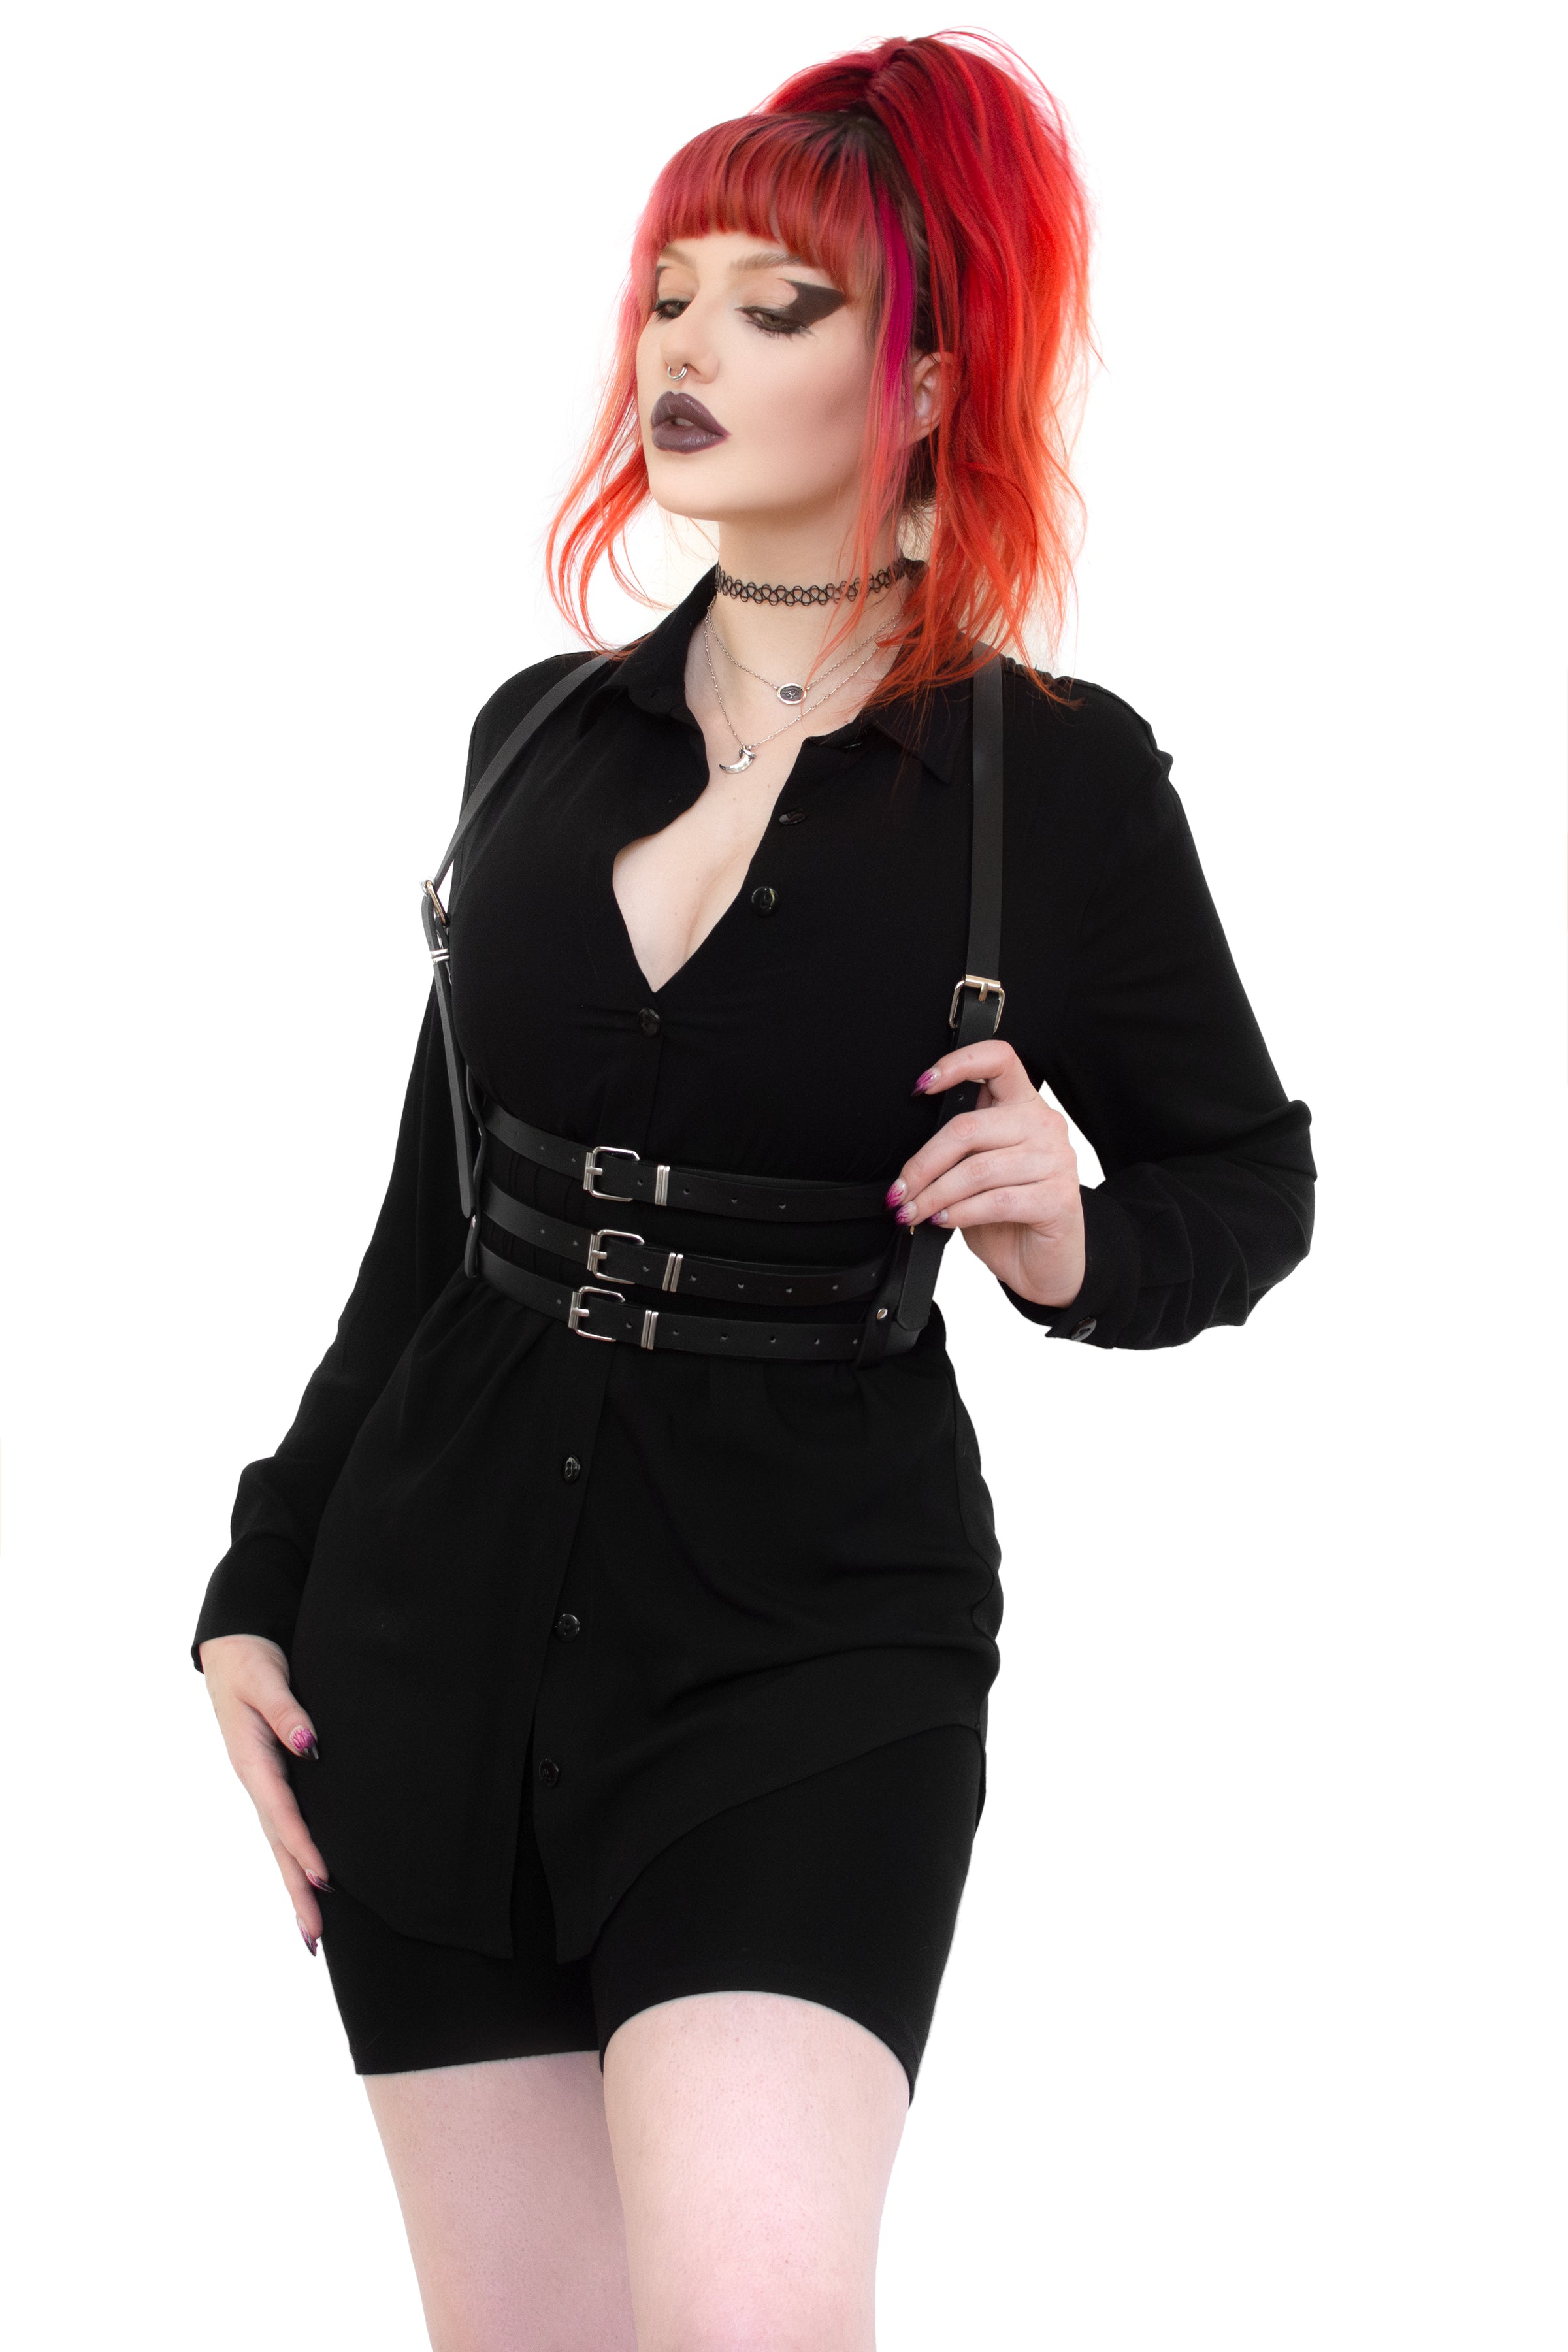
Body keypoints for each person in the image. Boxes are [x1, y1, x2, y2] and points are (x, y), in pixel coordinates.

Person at [194, 31, 1314, 2352]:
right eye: (670, 294)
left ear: (926, 386)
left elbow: (1248, 1178)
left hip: (809, 1651)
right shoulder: (537, 733)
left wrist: (1077, 1237)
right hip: (428, 1642)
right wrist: (253, 1589)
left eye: (777, 307)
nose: (687, 350)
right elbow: (428, 1226)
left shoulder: (1058, 786)